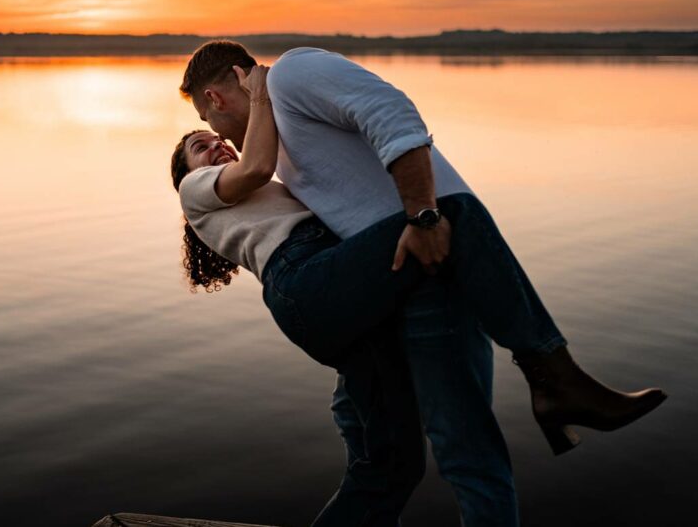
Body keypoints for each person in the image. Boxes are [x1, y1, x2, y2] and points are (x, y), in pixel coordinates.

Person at [173, 46, 667, 527]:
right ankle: (556, 376)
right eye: (202, 138)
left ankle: (554, 382)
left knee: (391, 467)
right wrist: (426, 215)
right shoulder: (228, 176)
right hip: (337, 279)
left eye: (209, 126)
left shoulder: (291, 81)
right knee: (455, 216)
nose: (216, 136)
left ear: (216, 97)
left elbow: (387, 115)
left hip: (385, 279)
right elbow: (266, 179)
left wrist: (421, 217)